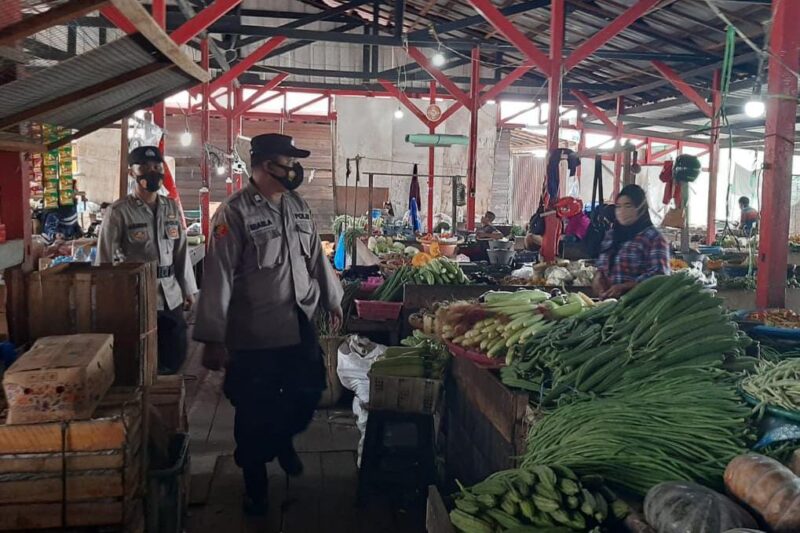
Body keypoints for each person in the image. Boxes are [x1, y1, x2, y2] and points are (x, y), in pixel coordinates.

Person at [193, 133, 343, 516]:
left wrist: (333, 298)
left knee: (309, 391)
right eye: (286, 161)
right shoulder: (234, 213)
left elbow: (316, 260)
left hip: (297, 321)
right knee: (252, 409)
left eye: (294, 161)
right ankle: (255, 486)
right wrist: (212, 337)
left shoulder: (297, 205)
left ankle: (280, 439)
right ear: (262, 165)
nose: (294, 168)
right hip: (253, 331)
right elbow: (218, 277)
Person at [95, 146, 197, 374]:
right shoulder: (119, 212)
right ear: (132, 172)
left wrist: (187, 288)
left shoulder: (170, 207)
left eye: (157, 167)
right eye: (145, 167)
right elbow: (104, 261)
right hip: (137, 296)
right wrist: (108, 301)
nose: (153, 171)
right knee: (141, 359)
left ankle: (168, 401)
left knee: (175, 353)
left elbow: (181, 251)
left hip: (171, 295)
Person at [592, 184, 670, 299]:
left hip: (638, 307)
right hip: (608, 304)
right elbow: (602, 267)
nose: (621, 211)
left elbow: (660, 276)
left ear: (640, 208)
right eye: (618, 206)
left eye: (628, 206)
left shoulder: (654, 238)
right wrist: (598, 278)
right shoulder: (612, 235)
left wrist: (626, 287)